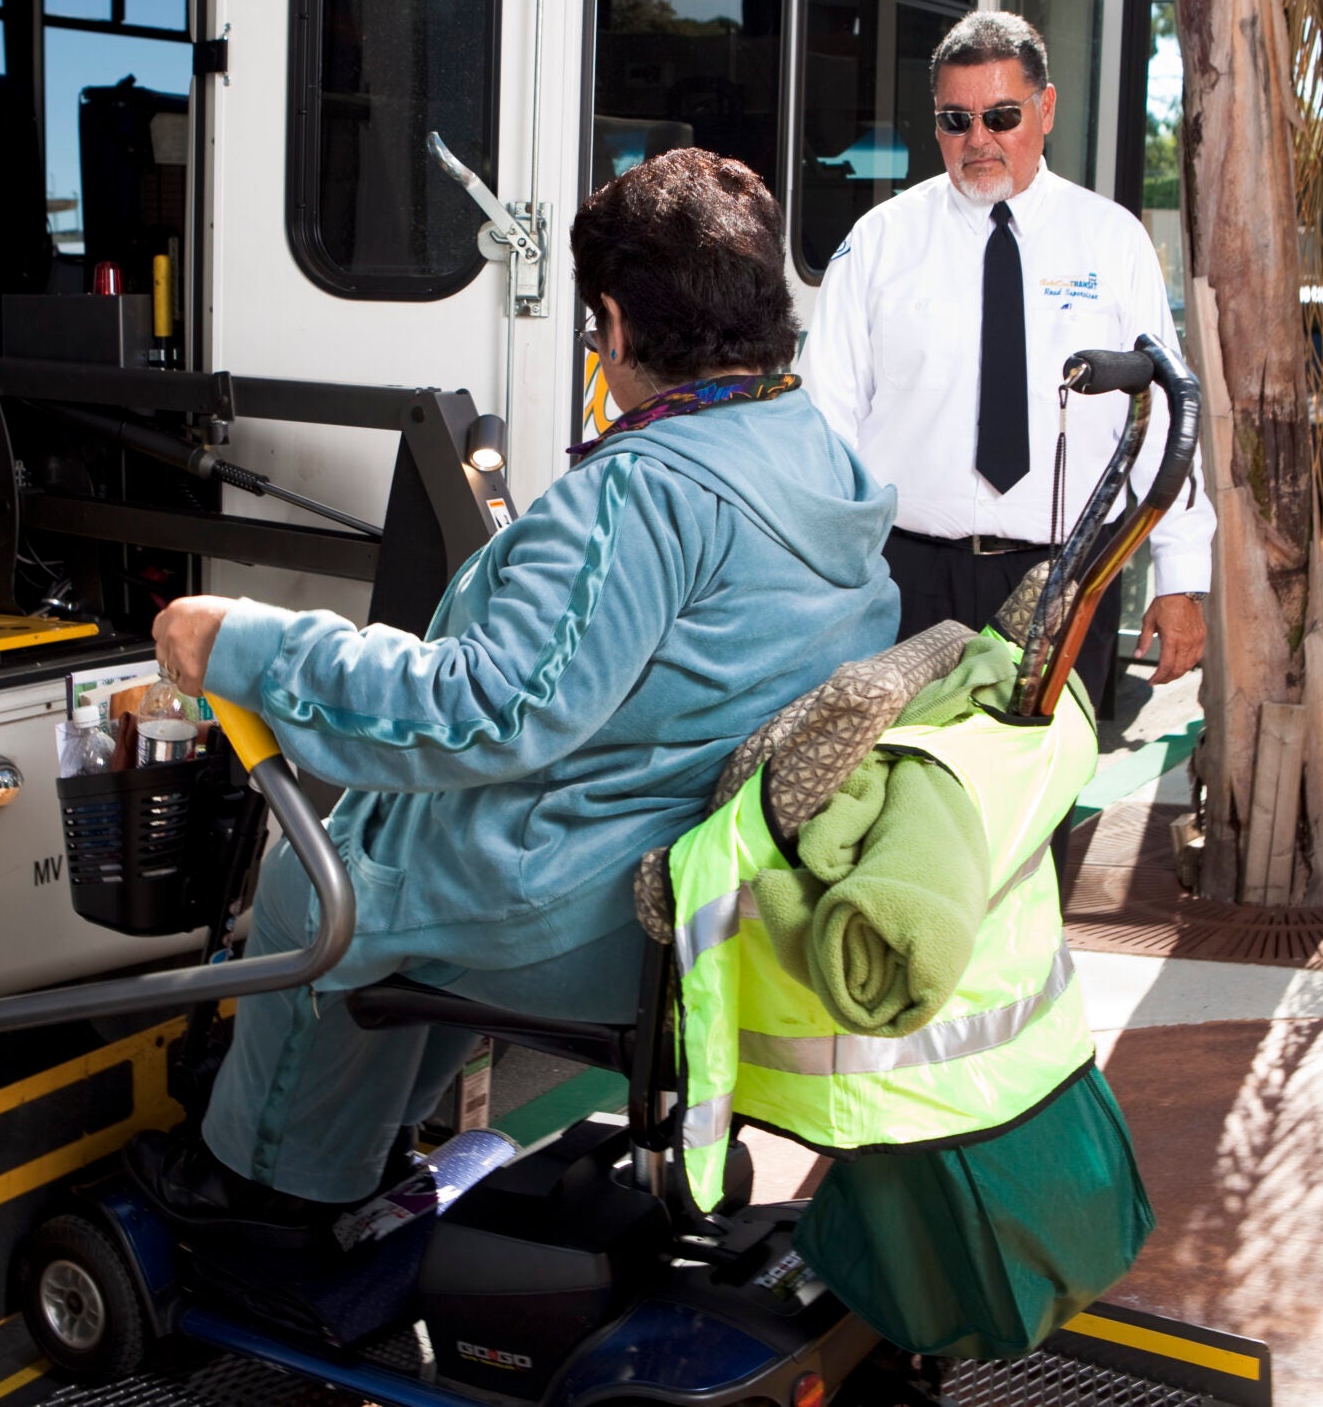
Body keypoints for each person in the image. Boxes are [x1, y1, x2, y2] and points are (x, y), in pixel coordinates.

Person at [131, 148, 901, 1232]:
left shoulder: (644, 491)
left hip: (589, 904)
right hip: (692, 887)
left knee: (323, 889)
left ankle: (262, 1193)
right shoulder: (815, 449)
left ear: (621, 327)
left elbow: (488, 713)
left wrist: (248, 644)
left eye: (596, 326)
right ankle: (352, 1143)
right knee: (415, 872)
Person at [799, 9, 1212, 694]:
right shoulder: (879, 243)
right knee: (900, 790)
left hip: (1066, 576)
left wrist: (1182, 577)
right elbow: (825, 424)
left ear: (1045, 108)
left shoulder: (1112, 242)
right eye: (955, 120)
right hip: (905, 579)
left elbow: (1165, 417)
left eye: (1001, 116)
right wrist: (823, 576)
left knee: (1041, 794)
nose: (978, 139)